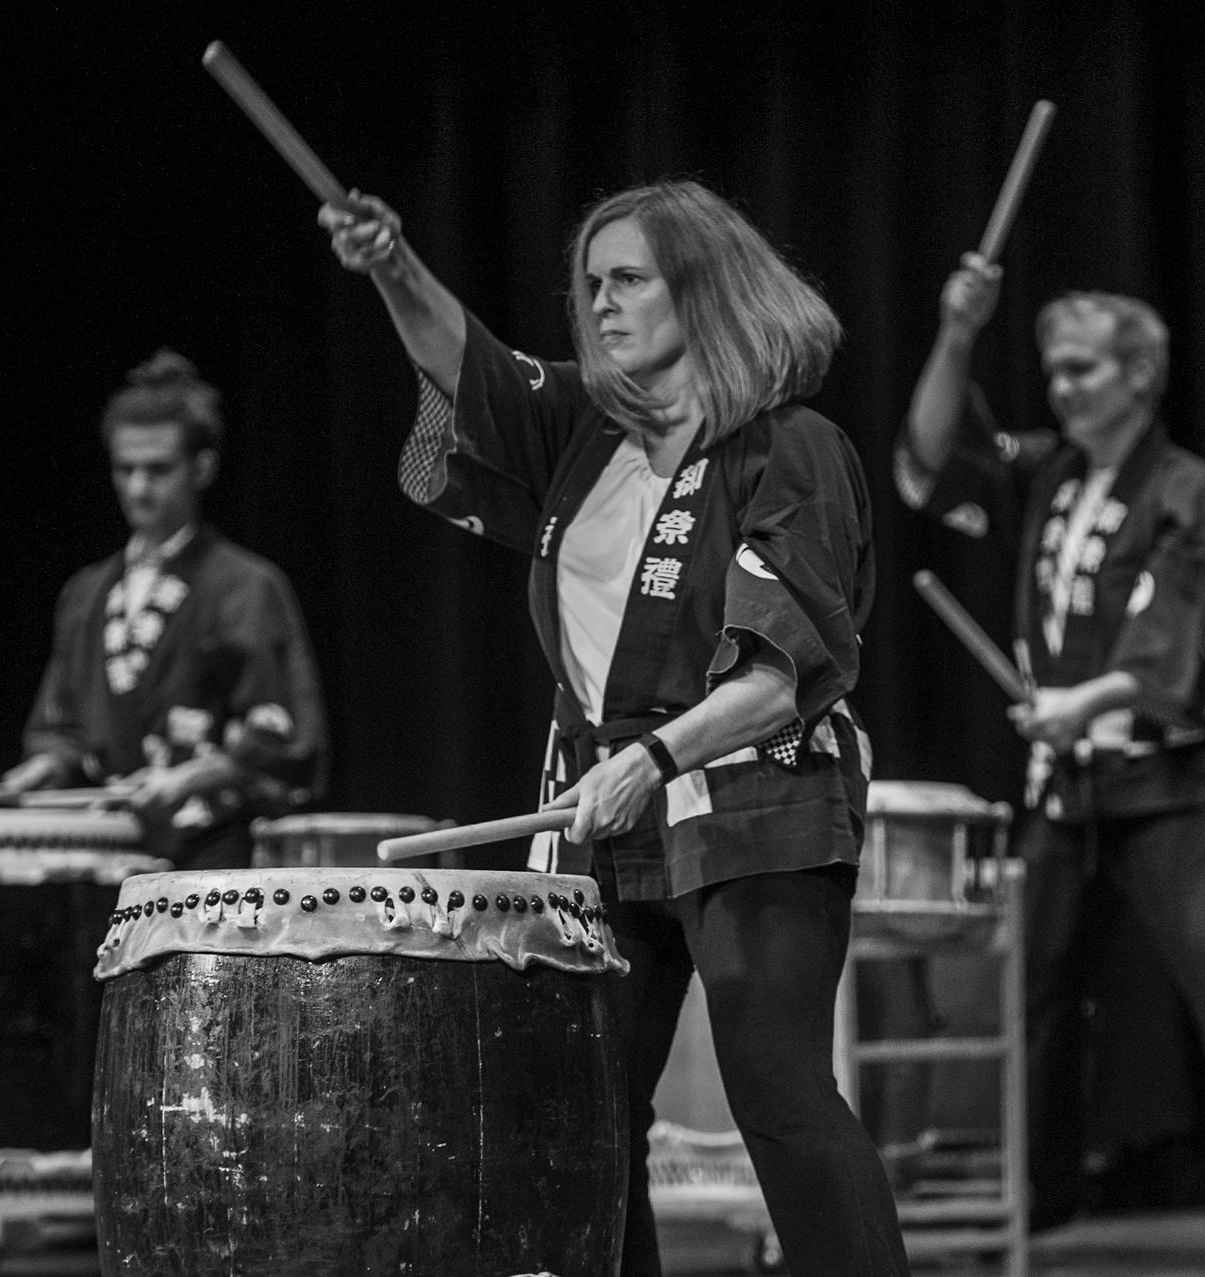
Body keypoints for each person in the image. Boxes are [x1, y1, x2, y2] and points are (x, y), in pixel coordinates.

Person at [321, 182, 909, 1277]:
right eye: (590, 285)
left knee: (777, 1089)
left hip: (752, 795)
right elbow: (473, 372)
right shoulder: (582, 434)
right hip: (601, 807)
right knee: (580, 1112)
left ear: (705, 286)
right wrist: (391, 265)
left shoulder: (791, 445)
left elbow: (787, 669)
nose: (601, 304)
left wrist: (654, 755)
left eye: (629, 278)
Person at [898, 256, 1205, 1267]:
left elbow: (1172, 649)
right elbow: (928, 464)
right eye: (1054, 370)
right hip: (1068, 789)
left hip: (1173, 783)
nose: (1063, 388)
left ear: (1142, 373)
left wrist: (1077, 702)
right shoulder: (1047, 475)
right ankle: (1030, 1206)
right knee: (1030, 993)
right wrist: (958, 334)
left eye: (1086, 369)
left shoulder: (1198, 495)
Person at [3, 350, 327, 868]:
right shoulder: (85, 593)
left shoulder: (246, 585)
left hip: (215, 854)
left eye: (158, 470)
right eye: (124, 468)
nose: (137, 487)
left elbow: (282, 736)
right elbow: (62, 725)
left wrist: (192, 778)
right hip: (108, 843)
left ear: (202, 467)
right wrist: (47, 766)